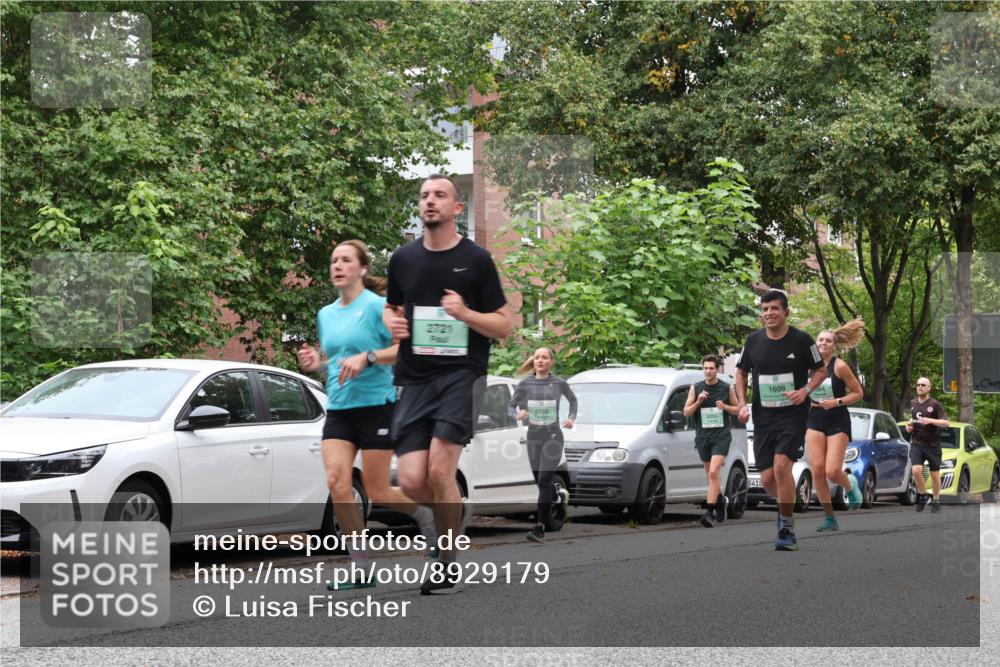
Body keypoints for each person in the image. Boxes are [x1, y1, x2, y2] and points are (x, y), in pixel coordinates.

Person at [383, 174, 513, 594]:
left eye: (440, 195)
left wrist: (464, 314)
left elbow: (504, 326)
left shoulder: (476, 261)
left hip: (461, 375)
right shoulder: (402, 259)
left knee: (441, 469)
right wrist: (393, 323)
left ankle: (447, 562)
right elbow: (390, 308)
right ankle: (449, 515)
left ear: (459, 208)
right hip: (414, 378)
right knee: (411, 479)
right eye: (424, 196)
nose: (430, 201)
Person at [297, 240, 436, 590]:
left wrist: (370, 358)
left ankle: (426, 515)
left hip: (377, 406)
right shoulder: (326, 314)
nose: (337, 265)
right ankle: (361, 569)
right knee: (337, 483)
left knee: (378, 490)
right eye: (333, 260)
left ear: (360, 269)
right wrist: (318, 364)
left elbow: (404, 349)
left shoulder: (377, 307)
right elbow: (339, 361)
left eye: (345, 260)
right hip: (340, 409)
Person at [736, 289, 827, 551]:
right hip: (763, 417)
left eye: (774, 308)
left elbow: (821, 371)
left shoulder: (802, 340)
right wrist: (742, 404)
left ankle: (786, 528)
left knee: (780, 466)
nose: (769, 313)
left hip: (793, 415)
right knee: (767, 479)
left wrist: (805, 391)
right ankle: (784, 505)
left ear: (785, 312)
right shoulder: (753, 341)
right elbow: (741, 373)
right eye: (764, 309)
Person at [508, 347, 578, 543]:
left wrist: (571, 418)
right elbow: (510, 405)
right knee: (540, 482)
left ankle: (539, 527)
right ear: (534, 361)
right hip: (534, 437)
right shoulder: (525, 384)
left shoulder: (558, 383)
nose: (540, 360)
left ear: (551, 362)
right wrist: (516, 414)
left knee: (545, 479)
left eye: (544, 357)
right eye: (537, 357)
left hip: (553, 436)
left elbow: (573, 400)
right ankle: (557, 494)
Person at [806, 320, 867, 531]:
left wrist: (837, 402)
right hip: (814, 417)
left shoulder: (839, 366)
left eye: (828, 341)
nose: (823, 343)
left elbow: (858, 392)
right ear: (816, 343)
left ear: (834, 346)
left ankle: (849, 484)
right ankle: (829, 517)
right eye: (820, 339)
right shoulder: (807, 365)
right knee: (817, 469)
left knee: (832, 471)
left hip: (837, 418)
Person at [683, 354, 740, 528]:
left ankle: (709, 513)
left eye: (711, 368)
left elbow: (737, 409)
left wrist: (726, 407)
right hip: (703, 436)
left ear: (717, 370)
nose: (708, 371)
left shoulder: (726, 388)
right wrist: (699, 401)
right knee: (711, 475)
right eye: (706, 368)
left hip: (721, 436)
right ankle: (721, 499)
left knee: (714, 472)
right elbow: (686, 412)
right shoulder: (696, 388)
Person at [906, 377, 949, 513]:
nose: (920, 387)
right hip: (917, 443)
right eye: (918, 385)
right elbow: (912, 420)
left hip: (932, 445)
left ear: (929, 388)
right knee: (916, 470)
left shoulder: (935, 404)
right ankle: (923, 494)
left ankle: (936, 499)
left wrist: (930, 420)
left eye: (923, 385)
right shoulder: (913, 403)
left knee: (935, 475)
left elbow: (946, 423)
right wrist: (909, 426)